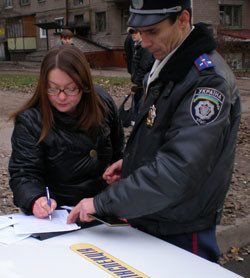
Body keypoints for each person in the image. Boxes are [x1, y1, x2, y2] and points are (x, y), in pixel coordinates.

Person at [67, 0, 241, 263]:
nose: (143, 42)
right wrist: (132, 163)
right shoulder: (171, 63)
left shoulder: (207, 81)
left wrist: (101, 203)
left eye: (153, 32)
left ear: (183, 20)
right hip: (156, 214)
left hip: (181, 225)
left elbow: (179, 169)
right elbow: (164, 131)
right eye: (140, 31)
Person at [8, 44, 124, 219]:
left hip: (102, 207)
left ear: (84, 85)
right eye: (53, 88)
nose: (61, 97)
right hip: (58, 214)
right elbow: (24, 173)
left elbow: (118, 152)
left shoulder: (102, 103)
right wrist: (36, 199)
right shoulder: (31, 120)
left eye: (70, 89)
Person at [129, 27, 154, 121]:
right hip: (138, 80)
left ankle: (138, 121)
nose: (133, 35)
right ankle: (135, 120)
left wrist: (137, 82)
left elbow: (143, 66)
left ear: (141, 34)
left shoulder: (144, 48)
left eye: (136, 33)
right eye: (132, 33)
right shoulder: (136, 46)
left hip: (143, 82)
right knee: (136, 100)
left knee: (142, 103)